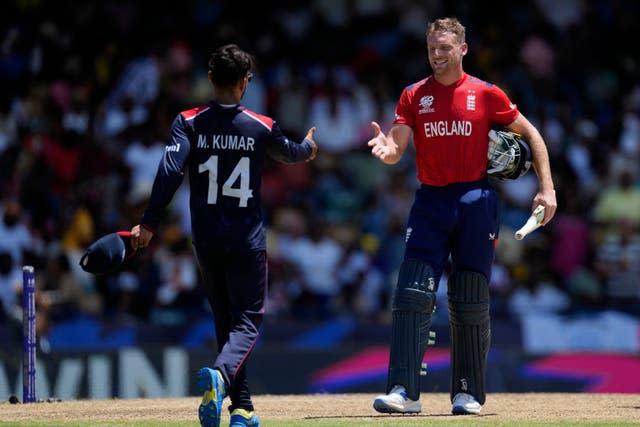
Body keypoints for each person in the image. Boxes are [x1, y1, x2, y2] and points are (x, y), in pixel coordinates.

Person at [368, 17, 556, 415]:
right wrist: (388, 151)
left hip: (476, 199)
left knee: (470, 298)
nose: (437, 55)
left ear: (462, 49)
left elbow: (532, 135)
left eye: (444, 48)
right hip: (431, 201)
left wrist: (547, 188)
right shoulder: (414, 95)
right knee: (412, 294)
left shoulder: (485, 93)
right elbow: (398, 146)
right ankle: (404, 391)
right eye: (432, 48)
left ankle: (467, 393)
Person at [129, 44, 318, 427]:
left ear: (211, 78)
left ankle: (242, 409)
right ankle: (221, 376)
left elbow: (169, 173)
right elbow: (291, 154)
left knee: (225, 322)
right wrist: (310, 147)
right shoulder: (261, 126)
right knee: (248, 321)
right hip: (245, 239)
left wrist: (148, 223)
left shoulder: (188, 121)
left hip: (207, 239)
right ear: (245, 83)